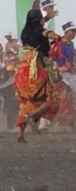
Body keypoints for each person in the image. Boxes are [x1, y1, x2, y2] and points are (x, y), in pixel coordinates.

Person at [14, 9, 62, 143]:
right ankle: (32, 116)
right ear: (38, 19)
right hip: (36, 68)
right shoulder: (39, 30)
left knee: (27, 101)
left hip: (23, 69)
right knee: (51, 97)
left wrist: (46, 18)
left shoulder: (25, 31)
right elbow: (45, 32)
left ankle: (20, 134)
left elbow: (36, 27)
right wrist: (59, 37)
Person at [55, 22, 76, 112]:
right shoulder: (58, 43)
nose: (75, 33)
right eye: (73, 31)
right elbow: (51, 57)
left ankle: (68, 111)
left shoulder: (71, 44)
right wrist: (58, 68)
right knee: (60, 97)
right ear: (67, 31)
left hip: (70, 73)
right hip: (60, 74)